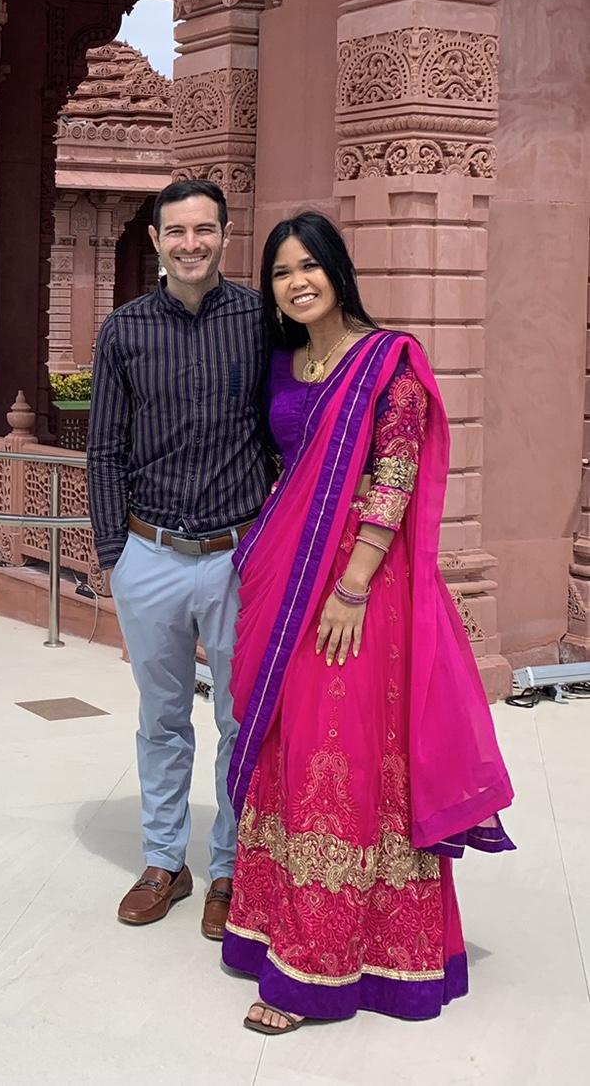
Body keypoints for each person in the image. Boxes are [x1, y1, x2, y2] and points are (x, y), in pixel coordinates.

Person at [224, 211, 513, 1034]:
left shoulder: (388, 361)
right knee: (289, 744)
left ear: (338, 271)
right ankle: (279, 929)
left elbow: (393, 473)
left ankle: (325, 965)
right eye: (282, 272)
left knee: (342, 750)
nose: (297, 281)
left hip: (357, 588)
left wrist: (350, 587)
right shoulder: (283, 362)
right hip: (286, 575)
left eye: (310, 265)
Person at [85, 178, 275, 940]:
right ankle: (166, 860)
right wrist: (113, 555)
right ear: (157, 240)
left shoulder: (262, 321)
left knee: (240, 721)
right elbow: (104, 449)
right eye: (177, 232)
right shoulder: (125, 331)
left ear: (226, 234)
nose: (191, 243)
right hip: (151, 550)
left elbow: (291, 425)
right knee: (162, 718)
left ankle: (230, 868)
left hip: (238, 554)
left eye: (205, 229)